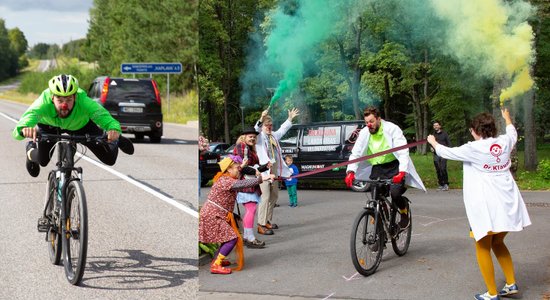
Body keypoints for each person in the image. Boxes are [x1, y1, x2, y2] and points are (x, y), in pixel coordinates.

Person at [427, 108, 531, 300]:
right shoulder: (504, 142)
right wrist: (507, 117)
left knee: (482, 246)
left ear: (475, 130)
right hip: (508, 205)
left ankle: (492, 294)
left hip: (487, 207)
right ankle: (510, 283)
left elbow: (446, 152)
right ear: (492, 129)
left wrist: (433, 142)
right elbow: (512, 132)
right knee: (498, 242)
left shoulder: (473, 148)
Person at [12, 74, 134, 178]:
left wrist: (114, 130)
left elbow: (104, 117)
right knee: (43, 161)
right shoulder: (43, 102)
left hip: (80, 126)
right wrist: (24, 129)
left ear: (75, 97)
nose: (64, 105)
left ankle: (117, 140)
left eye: (69, 100)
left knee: (109, 159)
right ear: (52, 97)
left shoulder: (84, 101)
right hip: (50, 126)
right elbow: (25, 121)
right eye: (60, 100)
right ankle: (30, 149)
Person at [345, 107, 425, 229]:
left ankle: (404, 212)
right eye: (366, 122)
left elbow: (403, 151)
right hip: (377, 168)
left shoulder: (392, 129)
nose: (369, 125)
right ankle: (380, 231)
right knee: (376, 197)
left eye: (371, 121)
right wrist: (351, 171)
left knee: (395, 194)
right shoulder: (365, 133)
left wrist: (402, 172)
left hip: (395, 166)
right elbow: (356, 153)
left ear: (378, 119)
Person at [198, 155, 274, 274]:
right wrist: (263, 178)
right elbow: (243, 184)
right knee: (232, 238)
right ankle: (216, 264)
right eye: (236, 168)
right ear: (228, 169)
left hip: (215, 213)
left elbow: (239, 178)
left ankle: (218, 260)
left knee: (226, 238)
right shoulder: (226, 180)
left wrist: (242, 167)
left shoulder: (225, 178)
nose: (239, 171)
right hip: (213, 214)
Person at [254, 108, 300, 235]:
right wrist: (261, 118)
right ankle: (261, 224)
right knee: (265, 196)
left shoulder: (273, 135)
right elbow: (256, 129)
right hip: (264, 171)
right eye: (266, 125)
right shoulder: (258, 137)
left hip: (273, 168)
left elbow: (282, 130)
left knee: (274, 196)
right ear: (263, 126)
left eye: (270, 125)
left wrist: (290, 119)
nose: (269, 127)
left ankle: (268, 220)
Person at [233, 127, 271, 248]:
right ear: (244, 137)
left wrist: (265, 167)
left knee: (252, 209)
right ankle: (249, 238)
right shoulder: (242, 146)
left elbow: (253, 168)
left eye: (254, 137)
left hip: (250, 182)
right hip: (245, 183)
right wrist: (256, 173)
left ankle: (248, 237)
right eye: (250, 136)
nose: (253, 138)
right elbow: (241, 167)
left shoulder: (249, 148)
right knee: (251, 209)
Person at [431, 121, 451, 191]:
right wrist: (431, 148)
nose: (436, 126)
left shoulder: (444, 134)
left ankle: (446, 184)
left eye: (437, 125)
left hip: (443, 154)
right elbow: (431, 143)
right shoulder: (433, 135)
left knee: (443, 168)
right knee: (438, 169)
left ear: (440, 126)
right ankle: (441, 184)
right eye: (434, 125)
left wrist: (448, 152)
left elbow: (449, 143)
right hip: (436, 154)